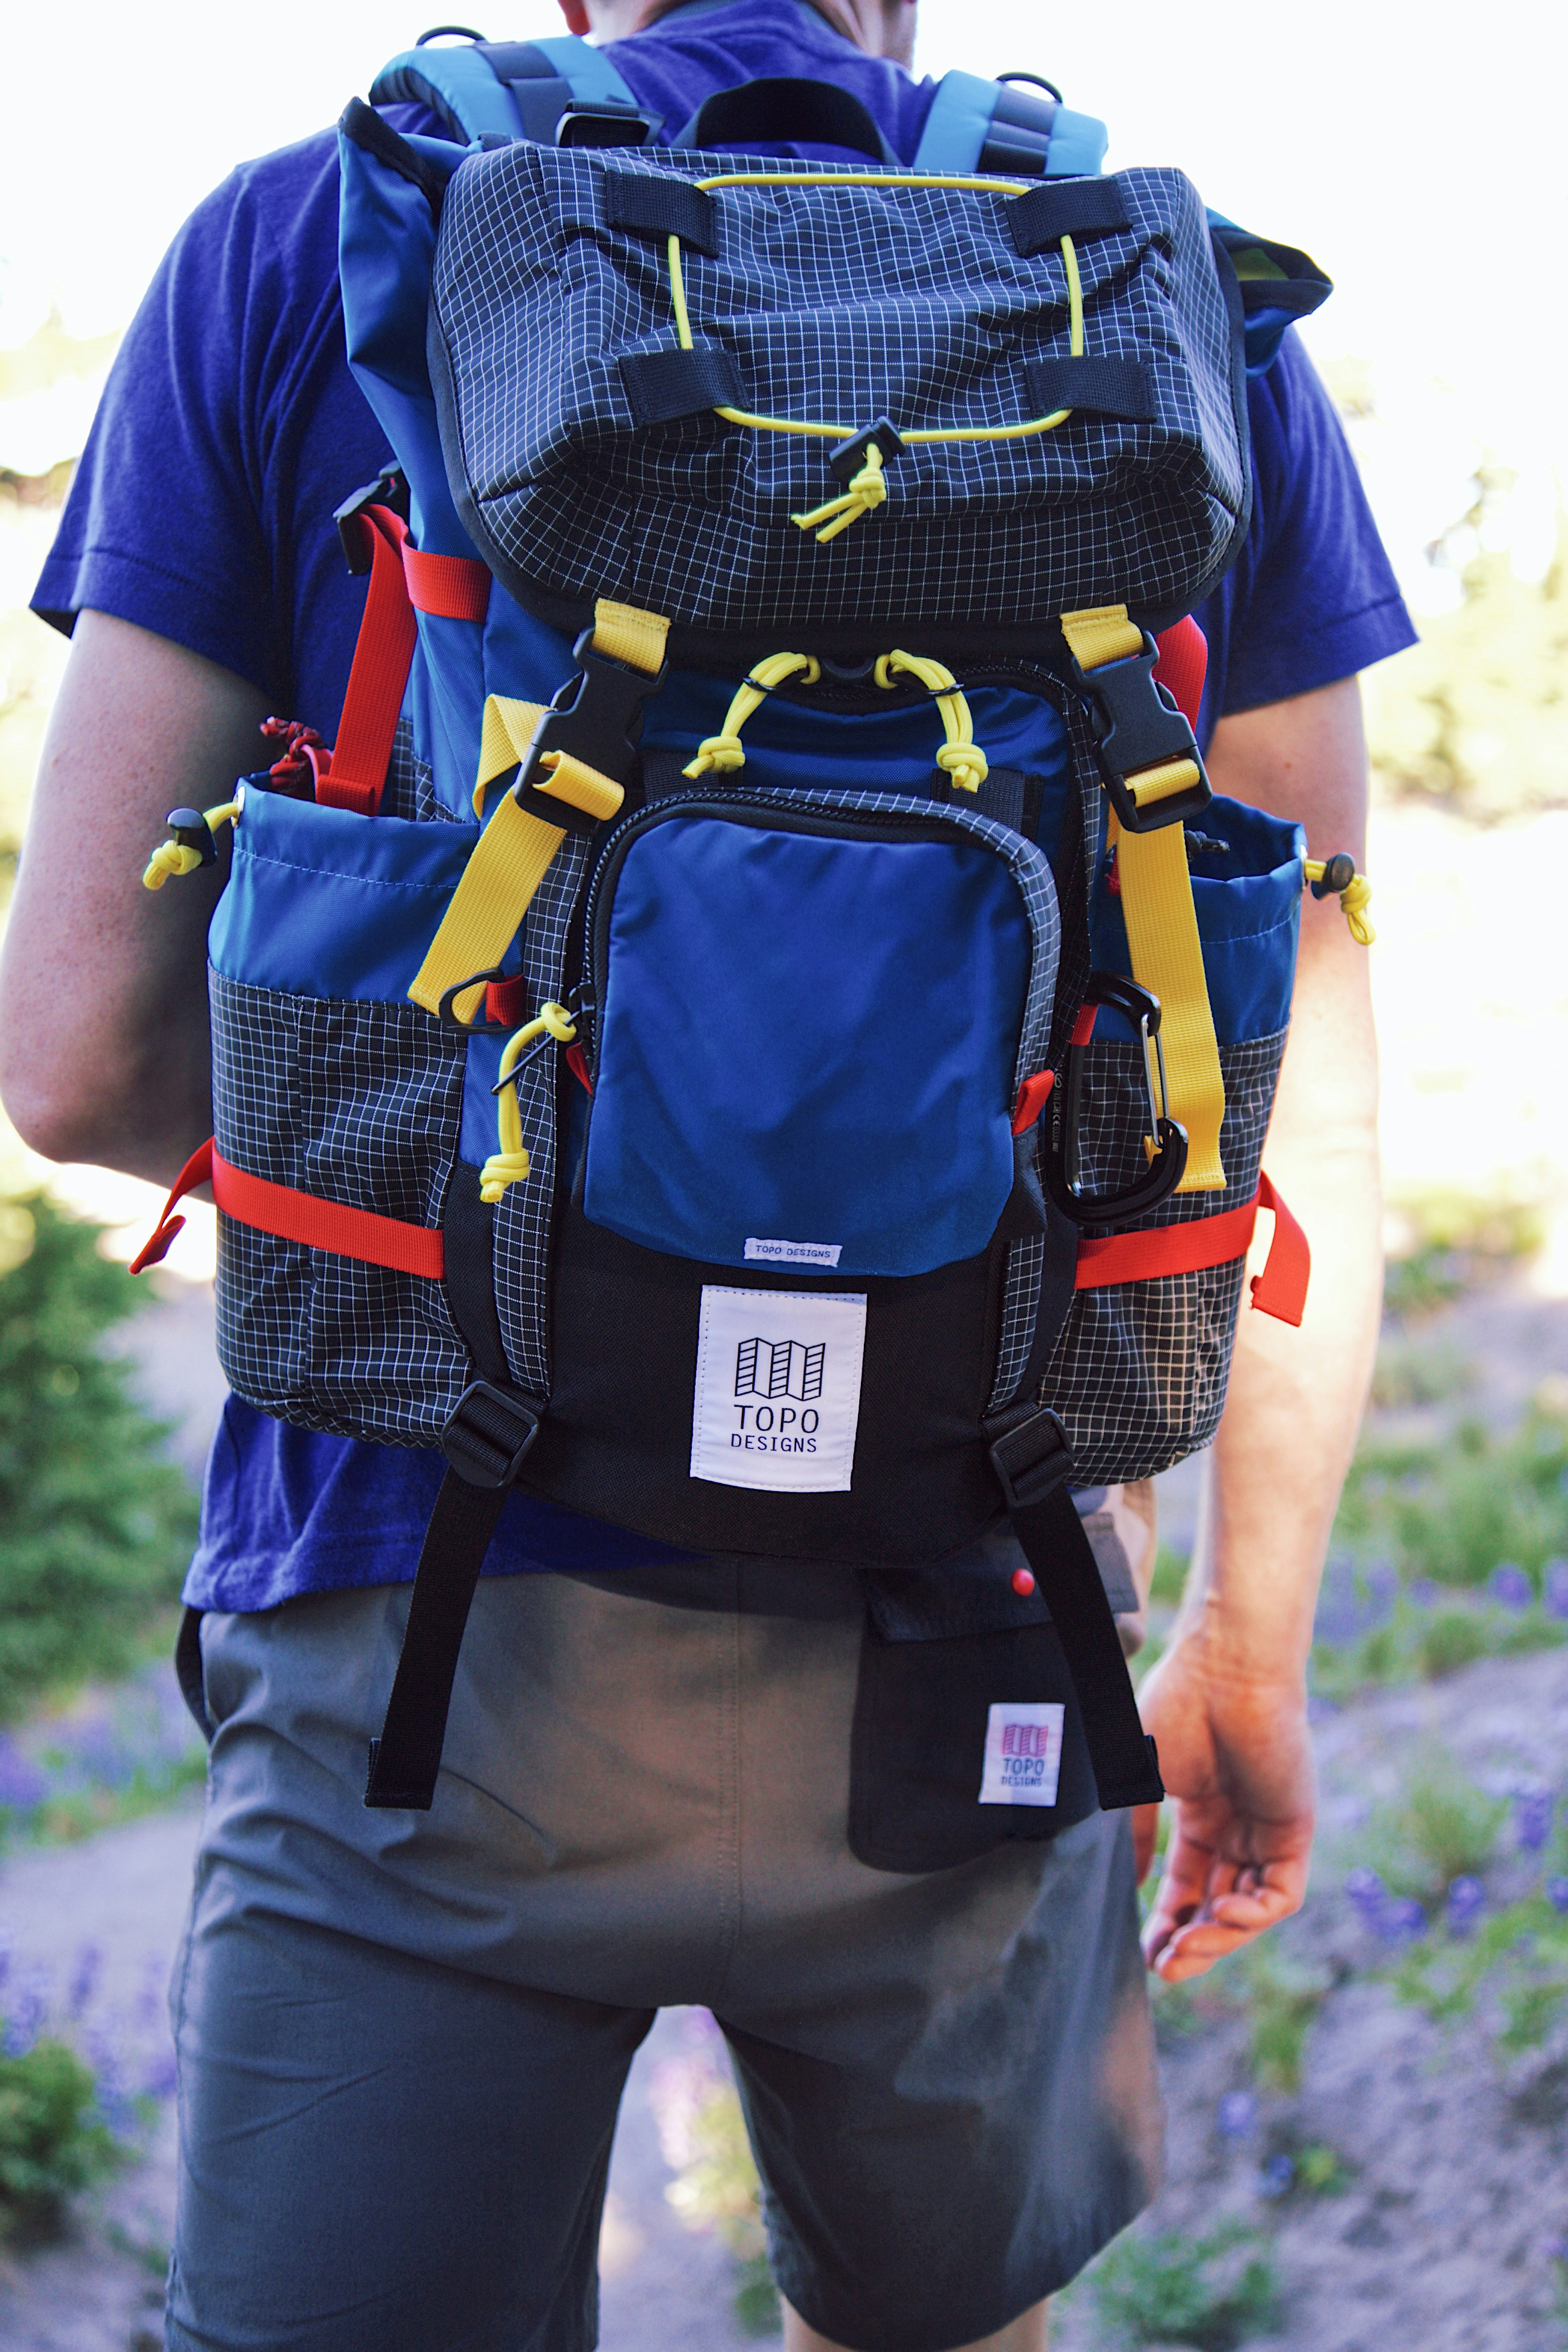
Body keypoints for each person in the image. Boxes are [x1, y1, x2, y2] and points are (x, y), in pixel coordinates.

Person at [0, 2, 1412, 2345]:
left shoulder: (304, 241)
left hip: (418, 1603)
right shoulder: (1156, 298)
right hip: (987, 1602)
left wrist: (508, 1213)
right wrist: (1250, 1636)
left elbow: (74, 1060)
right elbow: (1285, 1077)